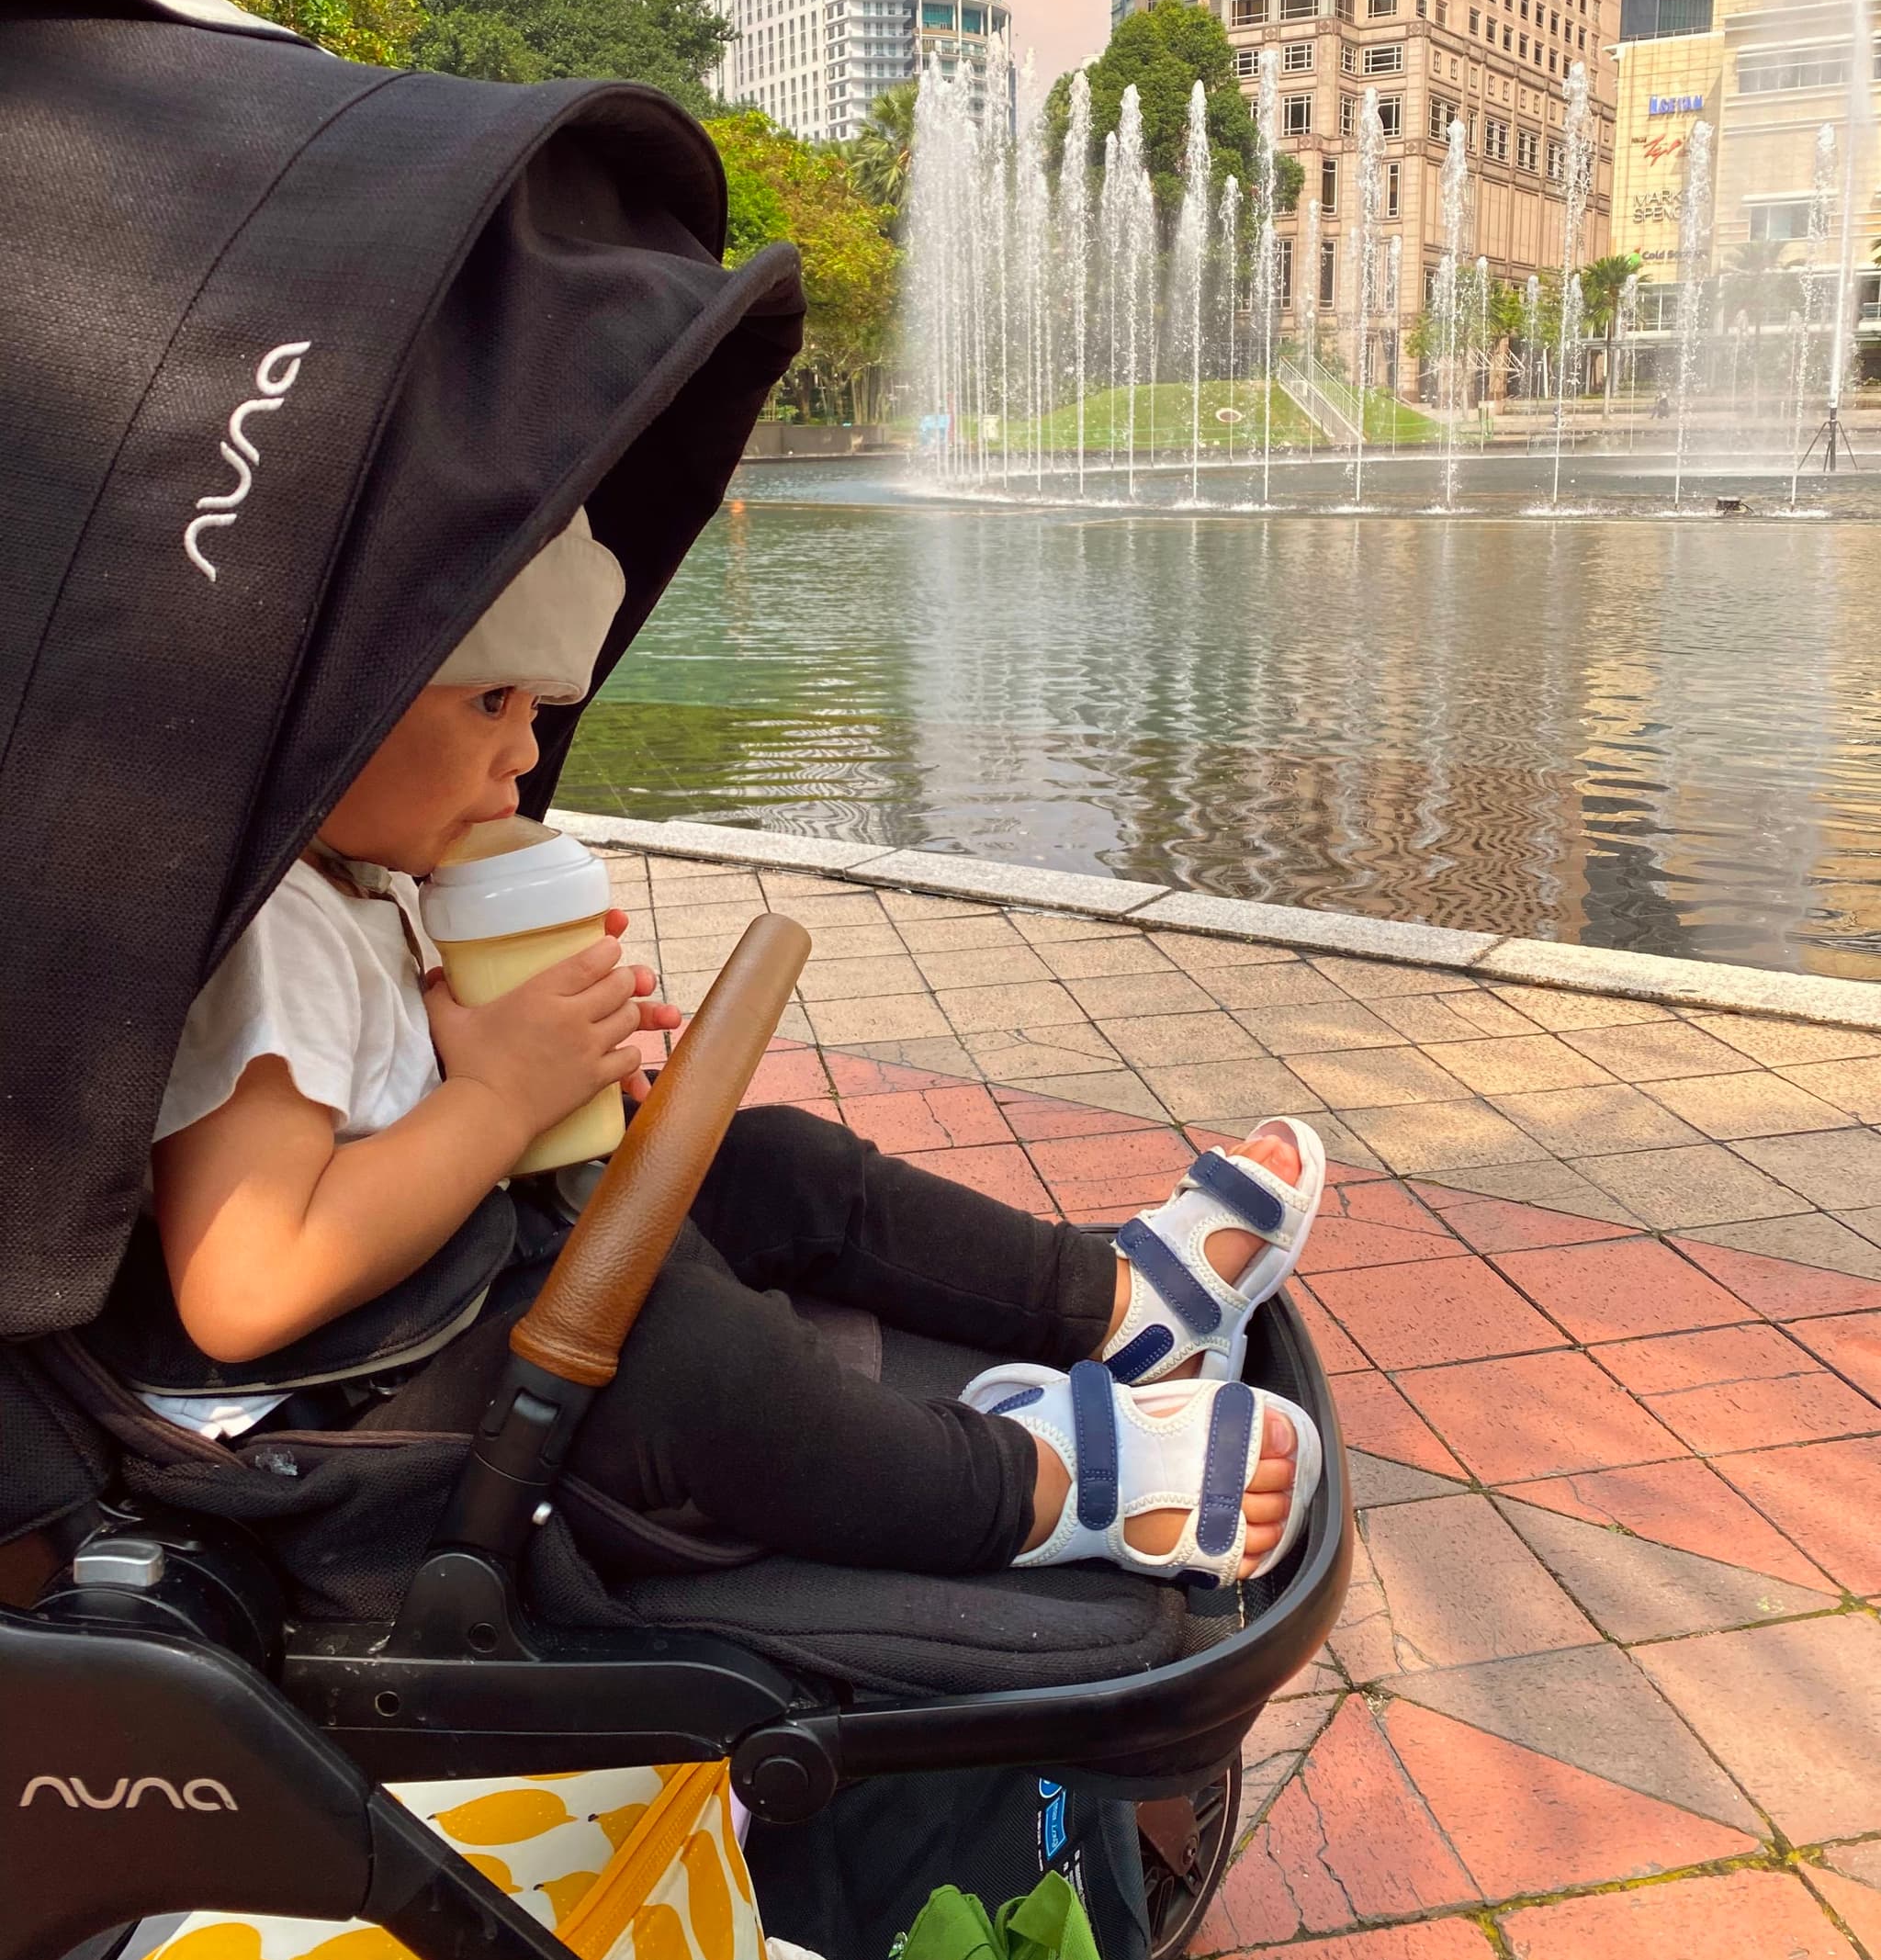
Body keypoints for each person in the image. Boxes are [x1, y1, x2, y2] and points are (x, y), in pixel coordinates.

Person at [142, 521, 1323, 1593]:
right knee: (691, 1359)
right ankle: (1038, 1490)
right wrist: (506, 1094)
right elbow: (248, 1288)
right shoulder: (268, 932)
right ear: (320, 701)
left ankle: (1118, 1305)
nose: (523, 752)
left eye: (536, 708)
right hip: (358, 1406)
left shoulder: (370, 880)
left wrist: (552, 1065)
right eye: (488, 700)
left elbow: (400, 1091)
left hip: (455, 1269)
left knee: (767, 1161)